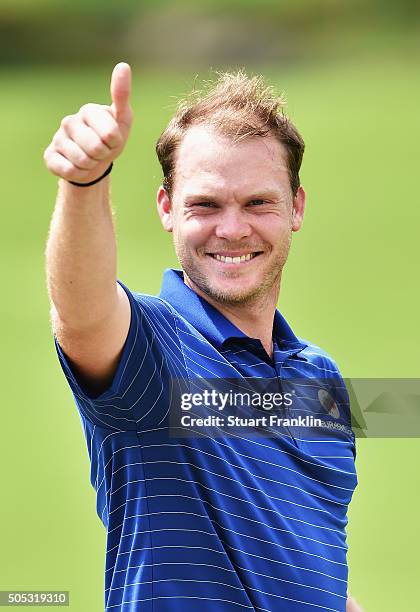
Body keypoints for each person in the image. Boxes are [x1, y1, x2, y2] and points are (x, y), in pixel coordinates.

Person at [44, 63, 362, 612]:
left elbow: (310, 563)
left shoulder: (320, 378)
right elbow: (81, 310)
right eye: (206, 205)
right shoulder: (149, 353)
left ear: (296, 208)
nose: (232, 229)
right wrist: (84, 182)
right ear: (167, 209)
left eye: (258, 202)